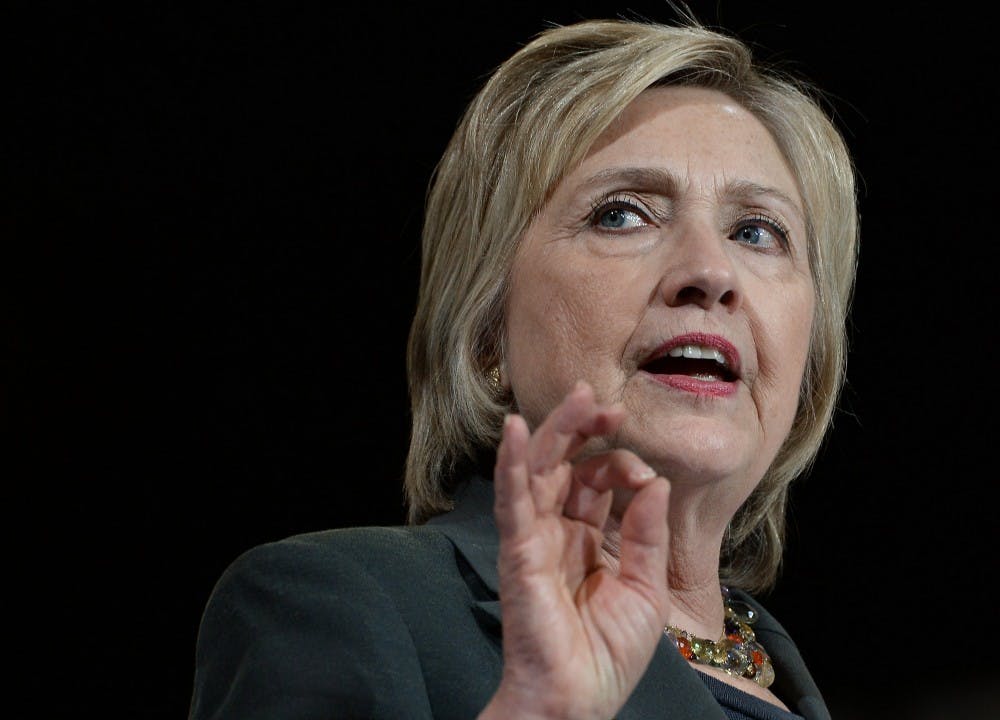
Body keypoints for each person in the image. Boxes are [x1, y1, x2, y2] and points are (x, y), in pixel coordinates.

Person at [188, 13, 858, 720]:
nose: (711, 272)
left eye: (757, 231)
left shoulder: (793, 679)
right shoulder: (338, 605)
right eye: (622, 215)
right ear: (487, 334)